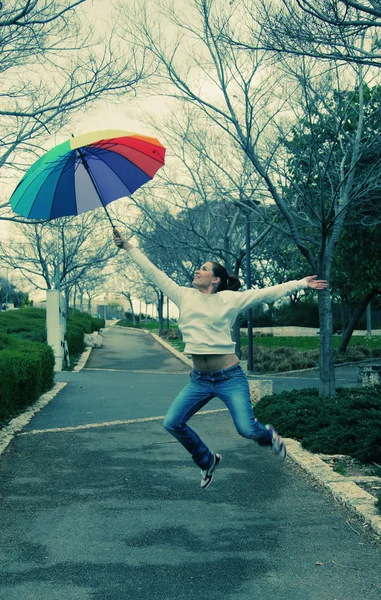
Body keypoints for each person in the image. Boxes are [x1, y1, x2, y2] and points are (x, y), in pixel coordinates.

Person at [113, 229, 328, 490]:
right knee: (172, 423)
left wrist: (301, 283)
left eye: (203, 269)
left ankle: (269, 436)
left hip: (229, 378)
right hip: (200, 380)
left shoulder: (229, 299)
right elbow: (153, 272)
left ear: (215, 279)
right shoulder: (183, 295)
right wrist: (128, 247)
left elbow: (267, 293)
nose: (197, 271)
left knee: (247, 430)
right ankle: (206, 460)